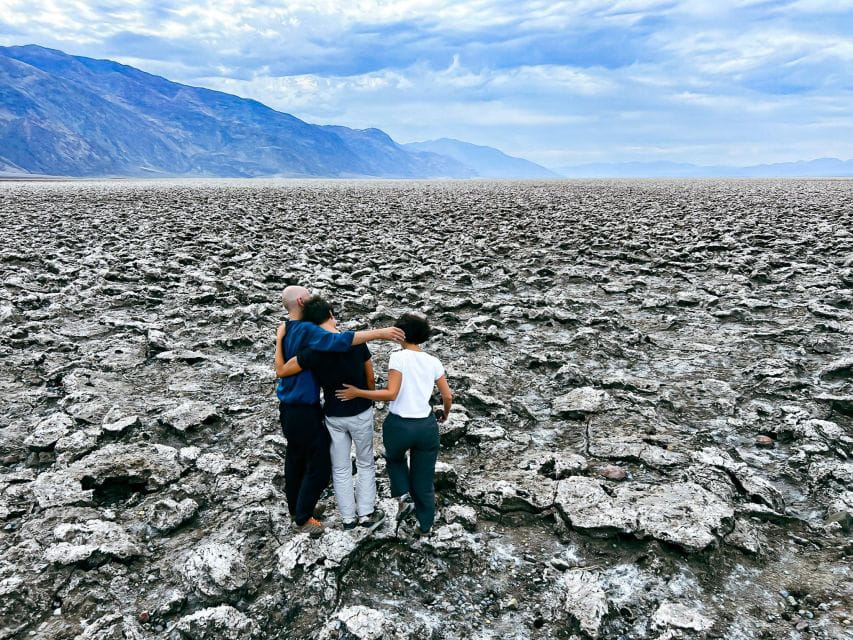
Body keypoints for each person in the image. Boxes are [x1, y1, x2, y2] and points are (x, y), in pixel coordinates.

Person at [275, 285, 403, 537]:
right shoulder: (315, 336)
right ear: (302, 301)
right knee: (335, 465)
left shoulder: (291, 332)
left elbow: (282, 370)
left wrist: (279, 340)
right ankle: (312, 515)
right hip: (325, 410)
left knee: (305, 460)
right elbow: (345, 346)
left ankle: (331, 515)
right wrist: (381, 333)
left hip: (312, 411)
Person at [336, 312, 453, 537]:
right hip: (426, 426)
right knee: (424, 478)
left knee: (395, 459)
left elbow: (391, 393)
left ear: (400, 334)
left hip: (400, 424)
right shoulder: (433, 361)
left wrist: (357, 392)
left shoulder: (398, 357)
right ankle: (425, 527)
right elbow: (447, 396)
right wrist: (445, 414)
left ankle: (403, 496)